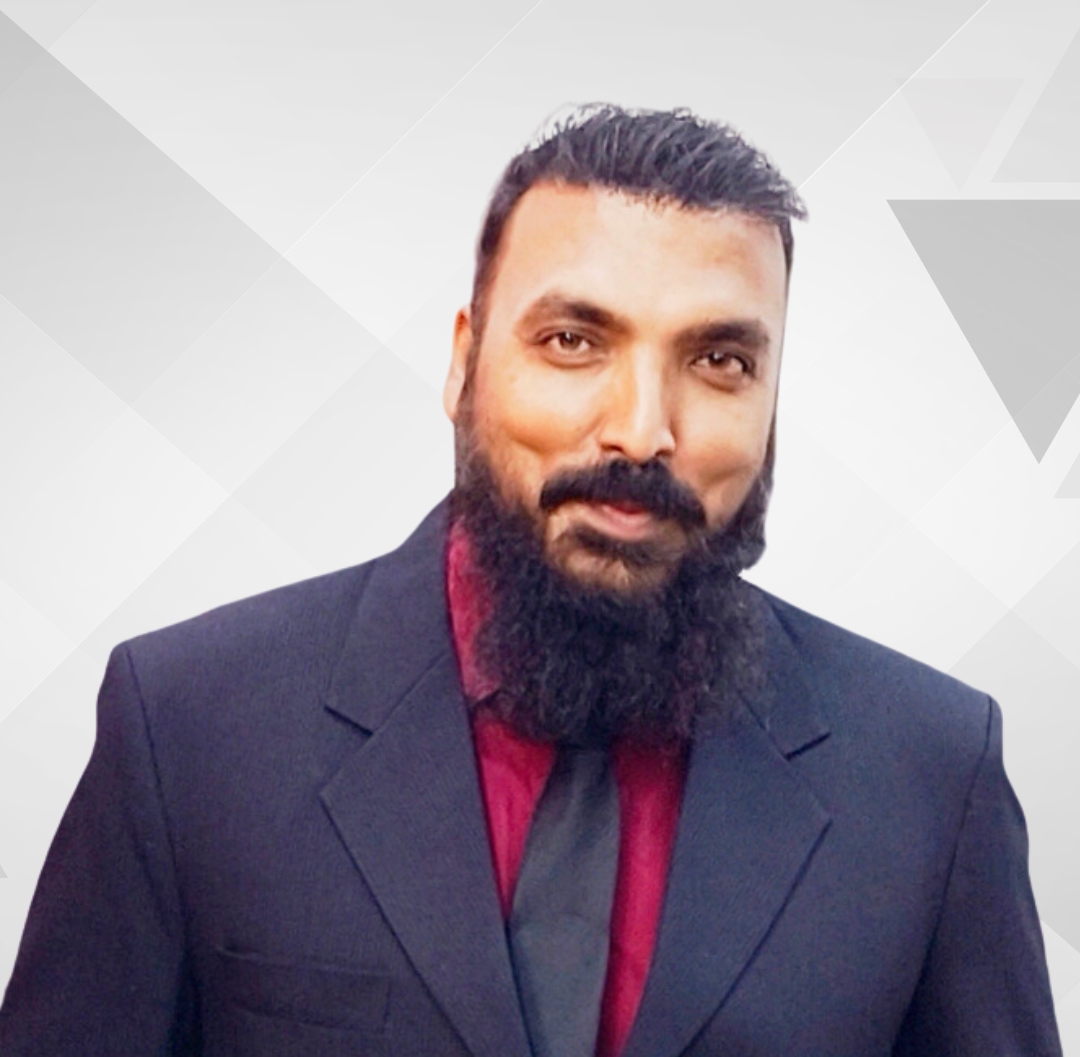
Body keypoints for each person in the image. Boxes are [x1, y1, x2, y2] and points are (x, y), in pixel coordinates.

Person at [0, 104, 1062, 1057]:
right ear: (464, 364)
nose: (641, 430)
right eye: (572, 340)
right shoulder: (191, 727)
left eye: (720, 362)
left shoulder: (932, 774)